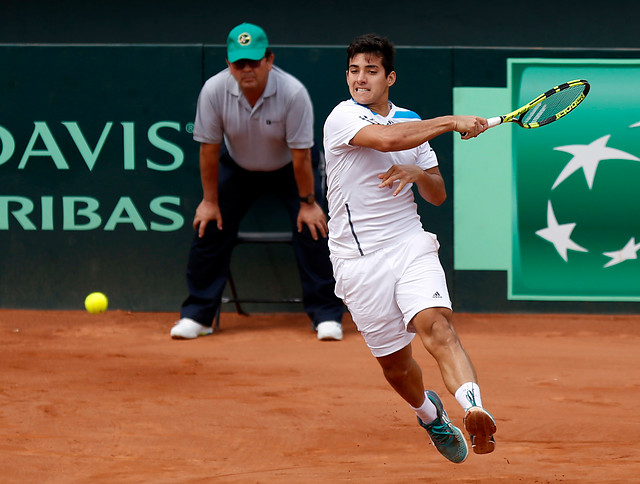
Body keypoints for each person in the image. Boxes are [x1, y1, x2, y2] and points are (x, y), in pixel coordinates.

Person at [322, 33, 496, 463]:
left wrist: (418, 175)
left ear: (390, 77)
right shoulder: (341, 117)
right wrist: (452, 121)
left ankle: (474, 406)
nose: (360, 79)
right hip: (357, 263)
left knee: (436, 326)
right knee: (396, 368)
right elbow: (387, 140)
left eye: (371, 70)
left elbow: (437, 194)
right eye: (354, 70)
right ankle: (430, 414)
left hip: (408, 245)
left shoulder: (412, 121)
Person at [171, 22, 344, 341]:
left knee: (315, 226)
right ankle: (198, 314)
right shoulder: (213, 90)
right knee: (208, 225)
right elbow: (208, 151)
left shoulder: (293, 93)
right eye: (239, 63)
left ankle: (326, 314)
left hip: (290, 168)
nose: (247, 69)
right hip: (237, 166)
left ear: (269, 60)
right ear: (229, 64)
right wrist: (209, 202)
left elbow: (302, 157)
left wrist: (308, 203)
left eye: (254, 61)